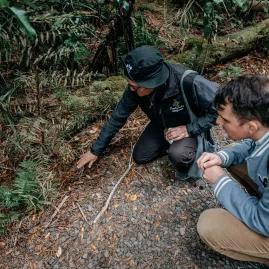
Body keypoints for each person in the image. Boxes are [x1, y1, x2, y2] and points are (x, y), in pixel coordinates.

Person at [77, 45, 218, 178]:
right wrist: (95, 150)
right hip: (162, 124)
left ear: (153, 82)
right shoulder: (135, 89)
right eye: (129, 84)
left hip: (188, 125)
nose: (131, 89)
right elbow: (117, 117)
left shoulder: (187, 81)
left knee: (178, 155)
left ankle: (192, 146)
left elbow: (221, 108)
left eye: (135, 87)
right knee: (141, 156)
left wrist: (190, 129)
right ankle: (173, 143)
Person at [197, 75, 269, 267]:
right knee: (234, 161)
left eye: (225, 119)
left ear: (251, 126)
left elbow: (264, 222)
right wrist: (222, 157)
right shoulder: (263, 129)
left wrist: (220, 180)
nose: (218, 122)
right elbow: (251, 145)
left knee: (209, 225)